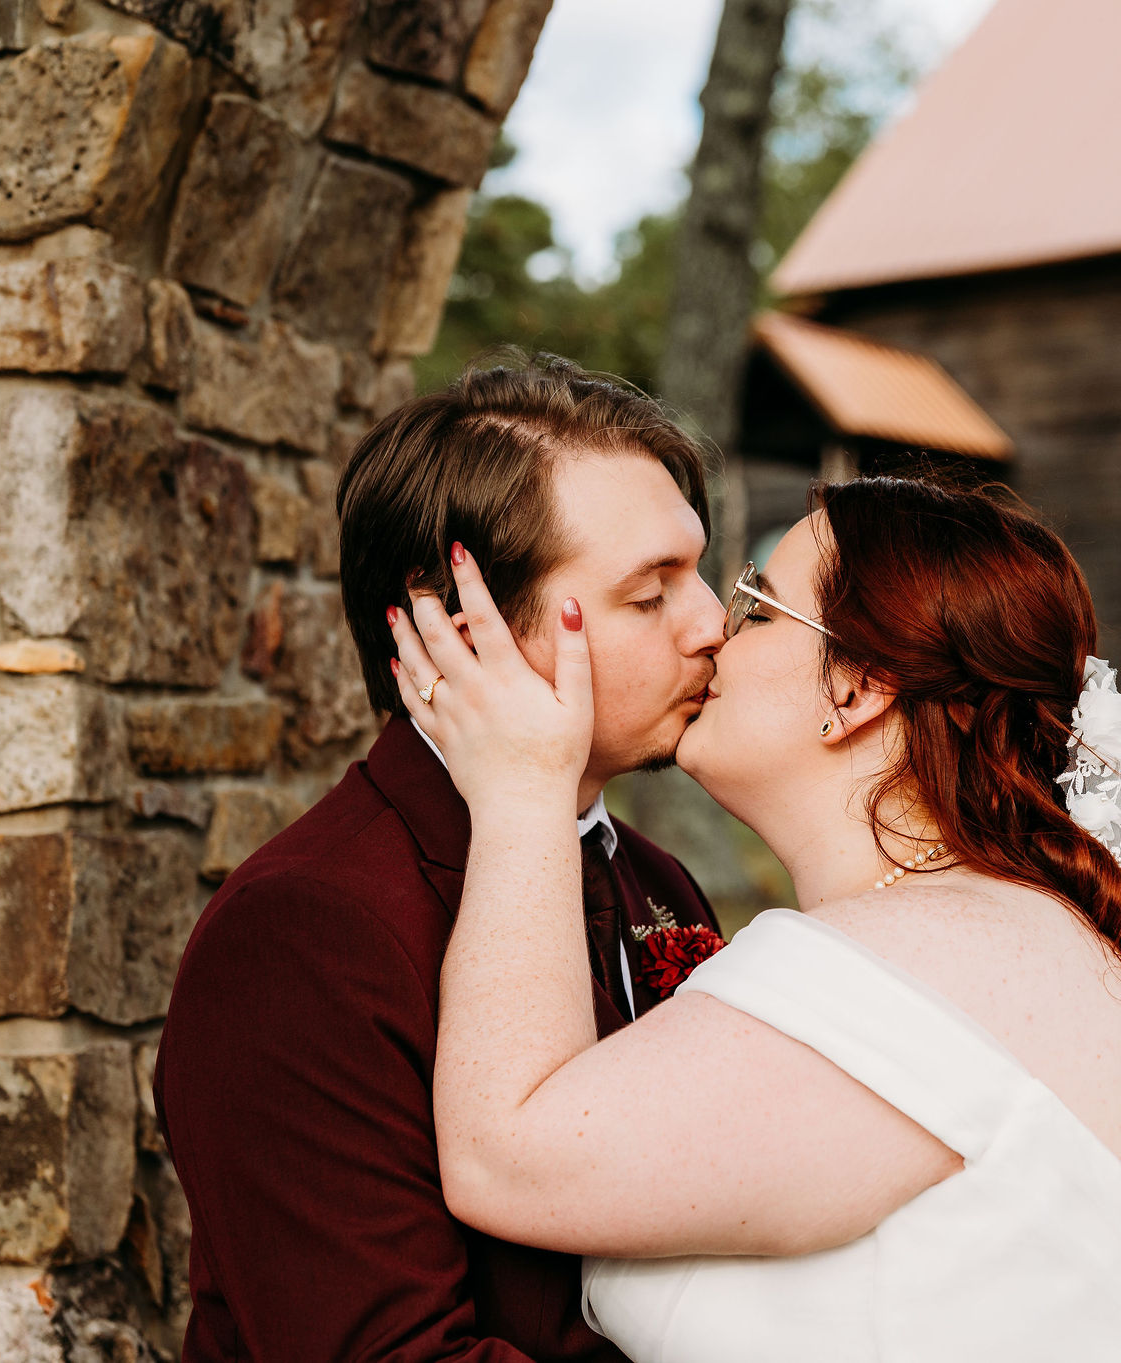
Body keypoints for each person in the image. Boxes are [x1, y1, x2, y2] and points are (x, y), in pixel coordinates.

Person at [392, 475, 1121, 1362]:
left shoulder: (922, 961)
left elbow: (503, 1158)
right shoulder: (1006, 935)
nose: (707, 632)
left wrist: (523, 784)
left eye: (756, 609)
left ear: (856, 689)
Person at [153, 358, 728, 1362]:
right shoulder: (302, 933)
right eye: (651, 595)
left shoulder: (656, 880)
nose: (713, 621)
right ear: (459, 633)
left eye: (699, 570)